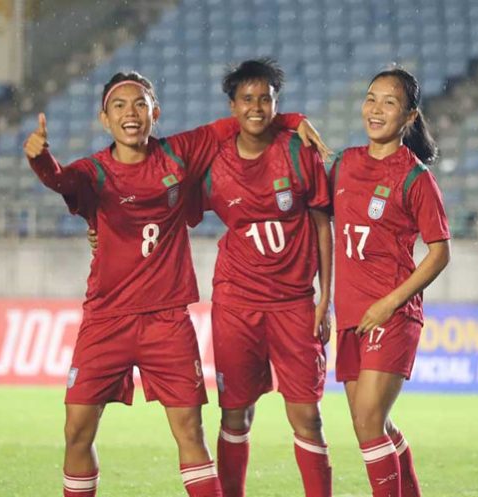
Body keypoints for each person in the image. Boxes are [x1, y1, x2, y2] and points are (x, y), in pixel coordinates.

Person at [23, 71, 319, 497]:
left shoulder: (180, 154)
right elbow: (61, 180)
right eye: (119, 106)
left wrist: (292, 119)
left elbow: (245, 119)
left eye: (140, 104)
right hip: (107, 319)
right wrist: (41, 160)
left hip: (168, 321)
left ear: (155, 113)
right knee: (76, 431)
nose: (130, 113)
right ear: (105, 119)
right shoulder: (95, 172)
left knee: (191, 433)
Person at [205, 59, 333, 497]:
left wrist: (325, 298)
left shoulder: (299, 151)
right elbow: (166, 206)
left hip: (294, 304)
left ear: (277, 104)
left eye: (265, 99)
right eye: (247, 99)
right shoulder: (215, 162)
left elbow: (322, 224)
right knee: (234, 414)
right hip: (236, 304)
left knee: (308, 417)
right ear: (232, 106)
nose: (256, 107)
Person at [329, 67, 451, 497]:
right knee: (371, 423)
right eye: (371, 98)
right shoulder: (344, 164)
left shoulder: (415, 178)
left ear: (410, 116)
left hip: (391, 315)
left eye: (389, 102)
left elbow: (440, 252)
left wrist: (389, 303)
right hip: (350, 314)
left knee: (368, 422)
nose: (376, 109)